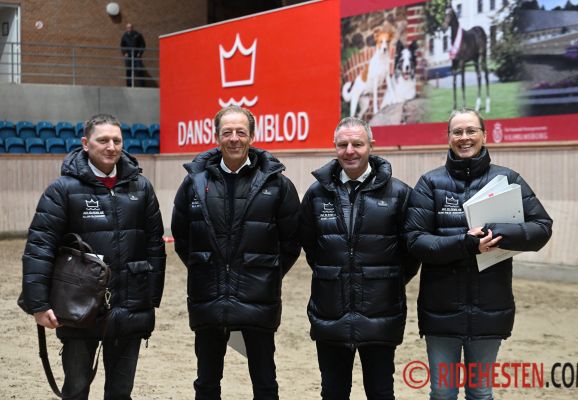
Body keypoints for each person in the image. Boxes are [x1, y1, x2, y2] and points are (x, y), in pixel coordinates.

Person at [405, 108, 553, 400]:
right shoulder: (430, 183)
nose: (464, 137)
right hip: (441, 309)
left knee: (481, 392)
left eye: (471, 130)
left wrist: (495, 232)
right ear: (448, 138)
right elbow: (415, 240)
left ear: (484, 136)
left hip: (490, 307)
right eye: (457, 131)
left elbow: (542, 228)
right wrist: (465, 244)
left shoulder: (508, 179)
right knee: (443, 392)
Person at [19, 113, 166, 399]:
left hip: (130, 306)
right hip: (78, 308)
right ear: (86, 144)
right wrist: (38, 303)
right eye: (103, 140)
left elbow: (155, 246)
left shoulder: (142, 187)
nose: (111, 147)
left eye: (117, 141)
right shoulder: (62, 190)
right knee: (76, 389)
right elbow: (40, 246)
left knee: (121, 391)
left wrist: (150, 298)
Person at [171, 105, 301, 400]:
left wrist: (266, 274)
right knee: (206, 383)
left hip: (258, 298)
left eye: (241, 132)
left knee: (265, 382)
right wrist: (207, 268)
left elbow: (291, 242)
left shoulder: (277, 184)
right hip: (208, 297)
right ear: (216, 136)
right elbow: (182, 238)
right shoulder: (194, 183)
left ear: (252, 136)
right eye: (227, 132)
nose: (234, 138)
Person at [299, 117, 420, 400]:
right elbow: (311, 246)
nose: (350, 151)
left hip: (381, 312)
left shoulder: (399, 193)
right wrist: (335, 274)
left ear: (371, 146)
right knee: (333, 392)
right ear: (335, 147)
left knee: (380, 392)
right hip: (330, 312)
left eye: (357, 143)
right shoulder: (316, 194)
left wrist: (386, 280)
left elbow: (410, 252)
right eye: (343, 145)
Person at [120, 23, 146, 87]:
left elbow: (143, 44)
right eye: (128, 27)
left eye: (130, 27)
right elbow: (122, 45)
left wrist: (140, 53)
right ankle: (129, 85)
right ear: (126, 28)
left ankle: (142, 85)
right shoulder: (124, 36)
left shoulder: (137, 35)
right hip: (128, 56)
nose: (129, 28)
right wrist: (125, 53)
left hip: (136, 56)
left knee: (139, 69)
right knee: (128, 70)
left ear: (133, 28)